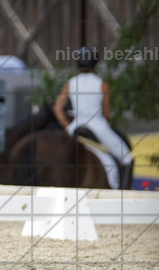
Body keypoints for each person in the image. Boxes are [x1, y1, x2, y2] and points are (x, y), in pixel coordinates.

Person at [53, 46, 133, 189]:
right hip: (97, 127)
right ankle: (124, 193)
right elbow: (106, 114)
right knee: (127, 157)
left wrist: (68, 126)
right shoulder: (102, 84)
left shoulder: (70, 83)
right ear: (94, 63)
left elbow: (57, 108)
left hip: (76, 128)